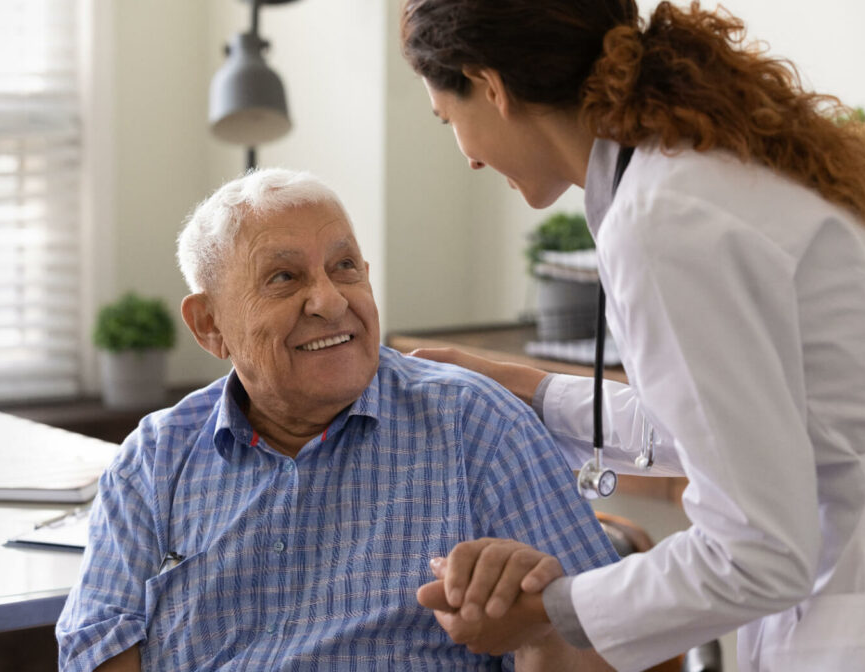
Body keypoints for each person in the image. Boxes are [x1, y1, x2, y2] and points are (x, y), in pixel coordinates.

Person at [400, 1, 865, 670]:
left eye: (448, 122)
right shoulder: (705, 164)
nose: (466, 157)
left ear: (490, 87)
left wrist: (549, 614)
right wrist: (536, 392)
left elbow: (755, 555)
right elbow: (737, 425)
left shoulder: (662, 218)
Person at [55, 168, 620, 671]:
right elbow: (96, 648)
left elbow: (612, 651)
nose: (328, 300)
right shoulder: (154, 459)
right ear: (209, 325)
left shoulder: (475, 426)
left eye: (344, 267)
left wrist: (542, 626)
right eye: (284, 278)